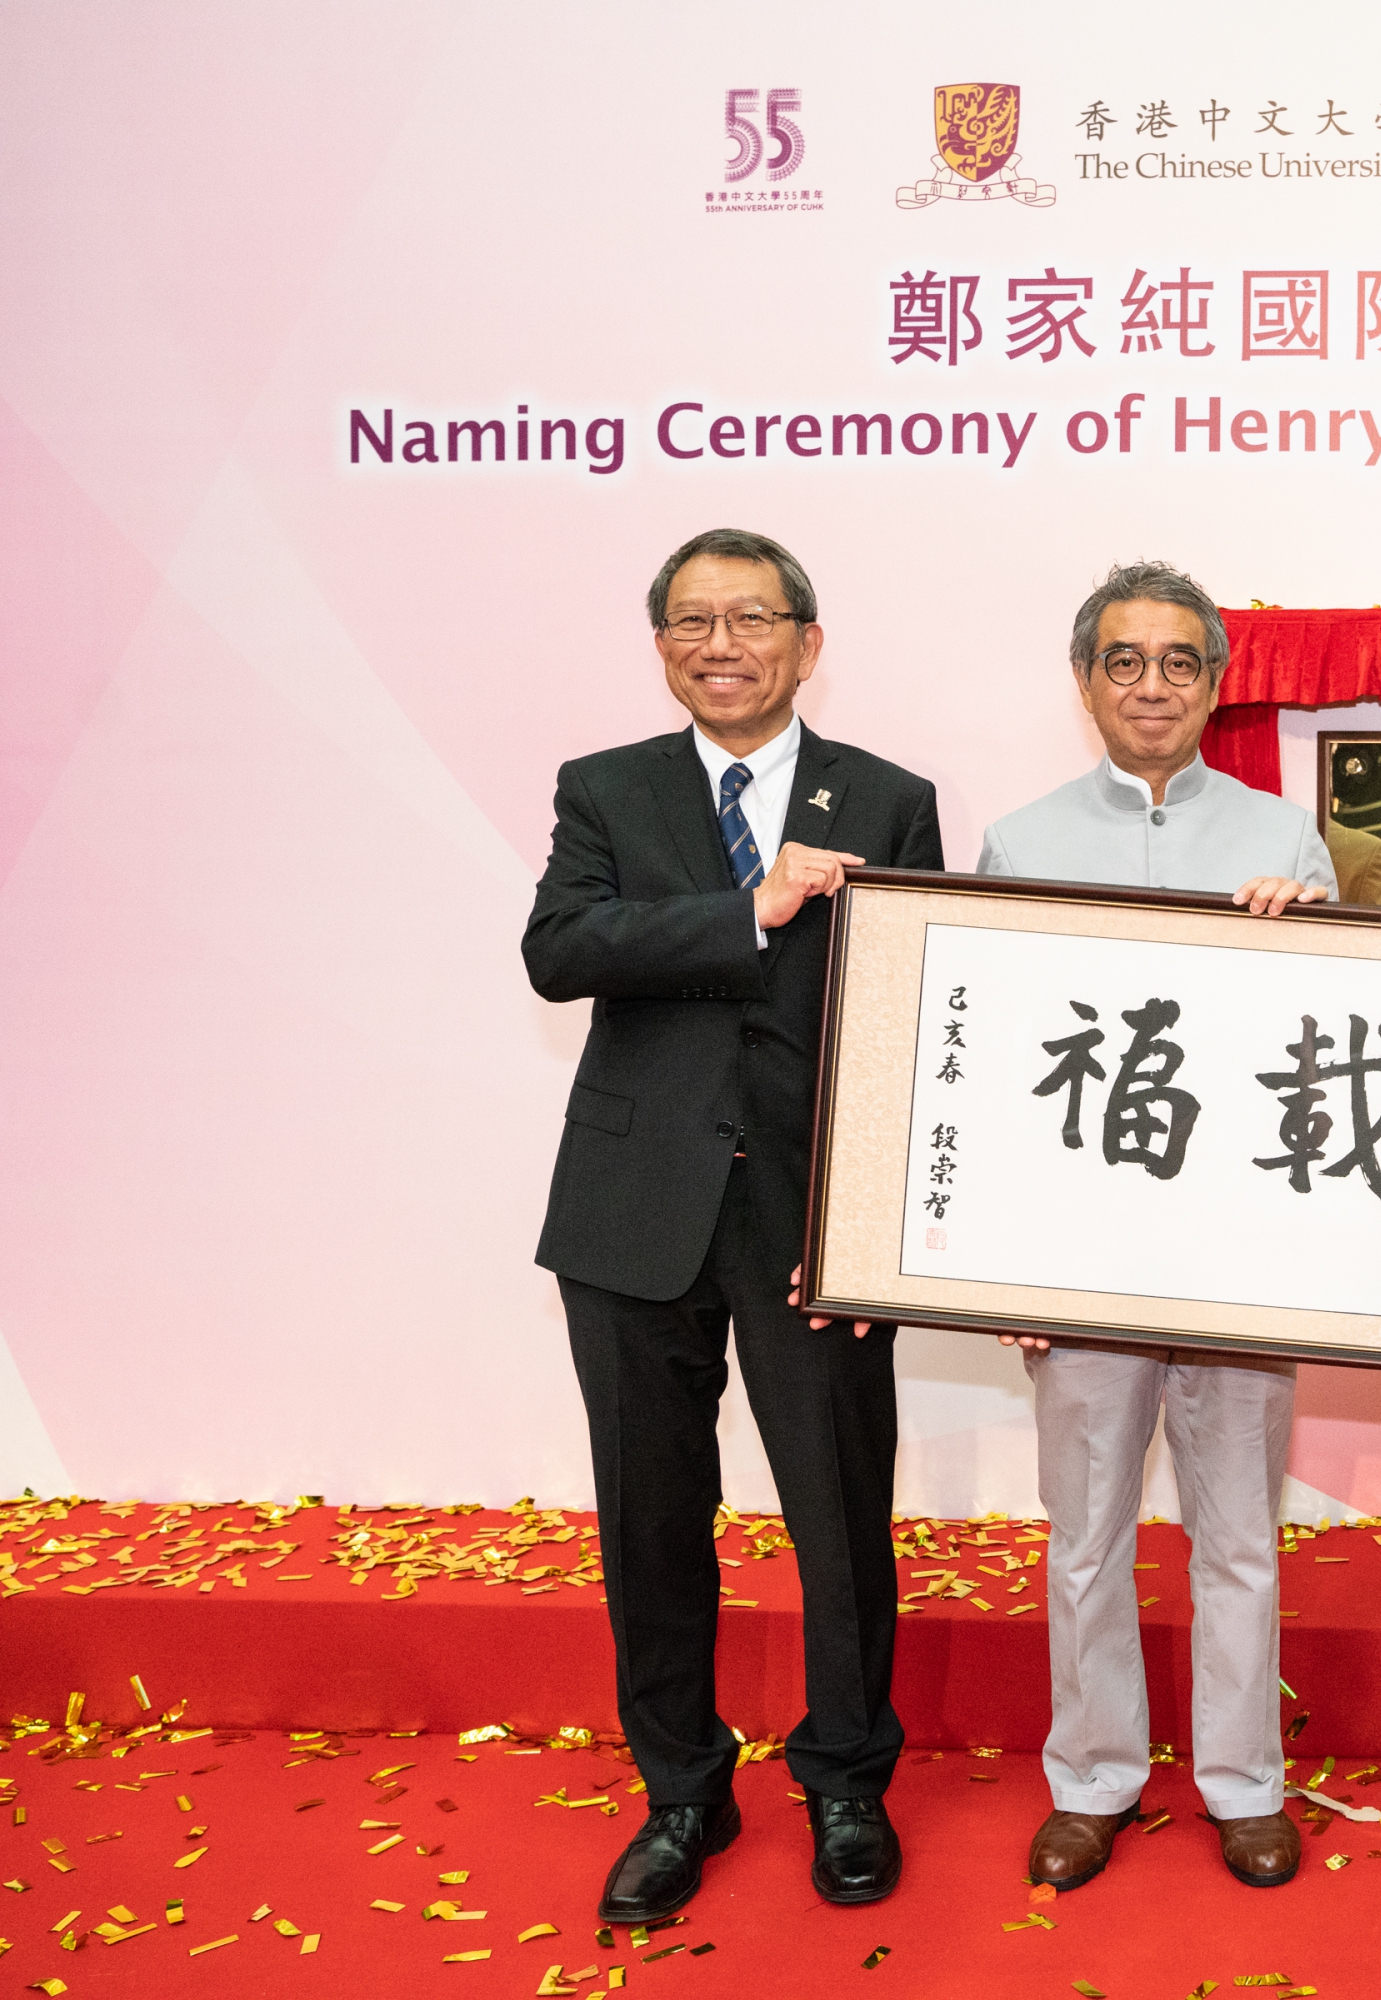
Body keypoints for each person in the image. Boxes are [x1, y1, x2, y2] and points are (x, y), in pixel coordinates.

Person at [524, 528, 944, 1921]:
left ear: (805, 644)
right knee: (653, 1521)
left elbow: (908, 1027)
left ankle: (844, 1780)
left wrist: (872, 1226)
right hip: (633, 1215)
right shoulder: (608, 790)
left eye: (752, 618)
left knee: (836, 1516)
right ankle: (683, 1792)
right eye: (693, 621)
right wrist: (742, 911)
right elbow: (560, 951)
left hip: (808, 1226)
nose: (723, 644)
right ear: (661, 648)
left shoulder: (886, 800)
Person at [978, 560, 1334, 1894]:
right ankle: (1095, 1783)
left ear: (1216, 684)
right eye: (1124, 660)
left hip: (1240, 1258)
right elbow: (1000, 1066)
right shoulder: (1018, 842)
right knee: (1087, 1539)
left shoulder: (1282, 840)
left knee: (1238, 1534)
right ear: (1085, 682)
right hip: (1080, 1258)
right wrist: (1007, 1257)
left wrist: (1307, 940)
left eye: (1179, 661)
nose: (1152, 684)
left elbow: (1345, 1057)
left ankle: (1244, 1786)